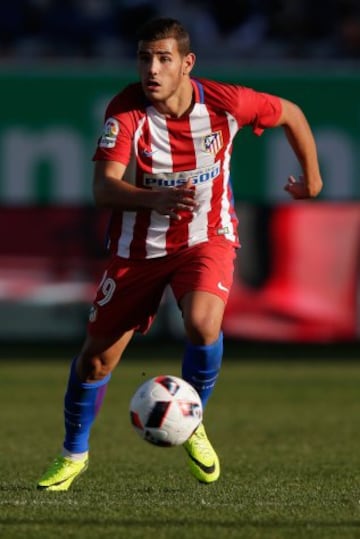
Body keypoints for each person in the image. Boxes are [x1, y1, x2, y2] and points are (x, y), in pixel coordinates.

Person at [37, 17, 323, 491]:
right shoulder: (126, 109)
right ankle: (73, 454)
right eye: (145, 58)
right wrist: (154, 199)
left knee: (203, 324)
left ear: (187, 64)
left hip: (206, 237)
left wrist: (311, 179)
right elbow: (103, 188)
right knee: (95, 363)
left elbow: (290, 112)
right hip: (138, 250)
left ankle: (193, 422)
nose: (152, 69)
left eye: (164, 58)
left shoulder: (226, 103)